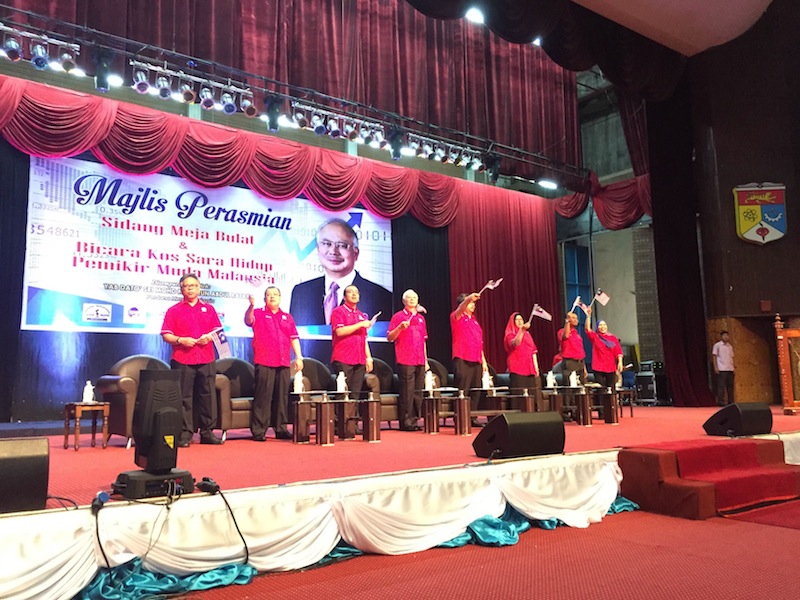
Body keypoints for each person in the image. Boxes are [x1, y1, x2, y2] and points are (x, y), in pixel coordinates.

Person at [290, 218, 392, 326]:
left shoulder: (382, 297)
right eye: (326, 243)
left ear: (355, 253)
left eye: (342, 245)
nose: (333, 251)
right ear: (318, 249)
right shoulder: (301, 292)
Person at [160, 273, 223, 447]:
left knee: (208, 396)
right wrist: (181, 340)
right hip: (183, 358)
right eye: (186, 286)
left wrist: (209, 338)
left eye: (193, 285)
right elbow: (166, 334)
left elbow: (218, 331)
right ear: (181, 289)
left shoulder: (208, 309)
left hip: (206, 357)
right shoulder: (174, 310)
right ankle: (185, 433)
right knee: (183, 397)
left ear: (199, 287)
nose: (190, 288)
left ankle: (207, 432)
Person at [245, 286, 303, 441]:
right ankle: (259, 430)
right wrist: (251, 305)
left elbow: (293, 337)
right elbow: (248, 320)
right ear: (264, 299)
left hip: (283, 361)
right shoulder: (258, 313)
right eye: (268, 295)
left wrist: (299, 357)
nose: (272, 297)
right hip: (264, 361)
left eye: (275, 294)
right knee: (263, 396)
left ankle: (281, 428)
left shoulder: (287, 317)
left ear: (280, 297)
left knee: (282, 396)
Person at [330, 285, 375, 436]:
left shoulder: (362, 315)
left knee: (355, 393)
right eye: (351, 292)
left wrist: (368, 357)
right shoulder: (338, 312)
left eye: (357, 292)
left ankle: (352, 424)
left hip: (359, 358)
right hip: (343, 357)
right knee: (343, 392)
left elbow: (364, 339)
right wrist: (360, 324)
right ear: (344, 296)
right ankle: (339, 424)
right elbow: (340, 331)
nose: (354, 294)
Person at [387, 289, 428, 431]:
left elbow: (423, 341)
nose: (412, 299)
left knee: (418, 391)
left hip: (420, 359)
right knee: (407, 391)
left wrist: (426, 360)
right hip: (405, 359)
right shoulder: (398, 317)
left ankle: (415, 420)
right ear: (404, 301)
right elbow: (390, 337)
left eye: (414, 297)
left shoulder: (421, 318)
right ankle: (405, 421)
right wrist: (399, 328)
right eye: (409, 297)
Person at [451, 292, 486, 427]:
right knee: (463, 389)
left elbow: (479, 342)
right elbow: (461, 308)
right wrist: (469, 298)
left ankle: (473, 417)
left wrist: (484, 361)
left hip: (476, 358)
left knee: (475, 390)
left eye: (473, 303)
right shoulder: (456, 316)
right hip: (462, 357)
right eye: (470, 303)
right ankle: (460, 416)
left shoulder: (474, 321)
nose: (473, 305)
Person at [584, 306, 623, 389]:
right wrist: (588, 316)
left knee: (611, 389)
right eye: (600, 325)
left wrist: (620, 362)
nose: (603, 327)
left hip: (611, 367)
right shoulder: (595, 337)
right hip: (598, 367)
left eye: (604, 325)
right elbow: (587, 329)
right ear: (597, 327)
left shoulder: (613, 338)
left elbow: (618, 351)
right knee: (601, 389)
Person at [504, 312, 540, 393]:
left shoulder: (527, 334)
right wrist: (522, 330)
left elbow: (533, 351)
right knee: (520, 395)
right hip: (517, 369)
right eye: (517, 320)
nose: (519, 321)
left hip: (529, 369)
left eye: (521, 319)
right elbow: (515, 343)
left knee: (532, 395)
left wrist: (536, 367)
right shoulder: (510, 334)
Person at [557, 311, 586, 384]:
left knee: (582, 386)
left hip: (580, 363)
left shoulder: (576, 333)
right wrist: (567, 321)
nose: (576, 320)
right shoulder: (562, 331)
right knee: (570, 386)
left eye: (576, 318)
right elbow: (566, 336)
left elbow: (580, 351)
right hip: (570, 362)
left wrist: (584, 367)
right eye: (573, 318)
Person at [712, 330, 735, 405]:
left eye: (727, 336)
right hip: (722, 368)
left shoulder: (730, 346)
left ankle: (731, 401)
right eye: (724, 336)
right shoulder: (717, 345)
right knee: (721, 386)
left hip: (730, 368)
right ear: (721, 337)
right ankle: (720, 401)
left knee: (730, 386)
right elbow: (714, 356)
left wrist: (733, 368)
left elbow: (731, 357)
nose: (726, 337)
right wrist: (715, 367)